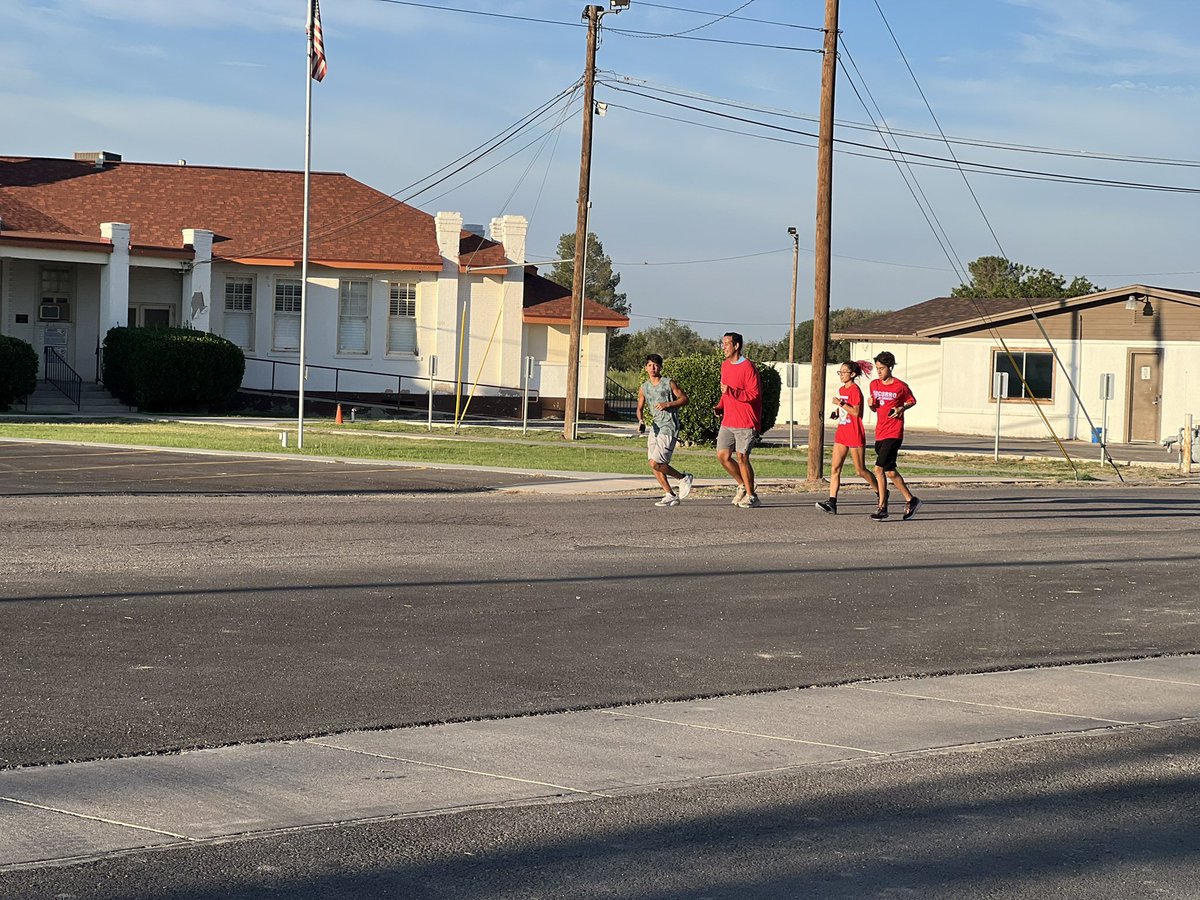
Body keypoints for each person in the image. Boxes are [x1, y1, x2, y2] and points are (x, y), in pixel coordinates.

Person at [866, 350, 921, 521]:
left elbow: (912, 400)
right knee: (890, 472)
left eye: (882, 368)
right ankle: (911, 500)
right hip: (880, 432)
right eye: (877, 368)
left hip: (894, 432)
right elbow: (875, 407)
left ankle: (882, 507)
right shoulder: (874, 384)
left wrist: (901, 408)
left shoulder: (900, 386)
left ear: (890, 367)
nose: (879, 371)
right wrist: (870, 405)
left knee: (878, 468)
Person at [816, 360, 874, 514]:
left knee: (860, 470)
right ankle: (832, 502)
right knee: (835, 468)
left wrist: (840, 403)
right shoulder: (842, 389)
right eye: (840, 372)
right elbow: (845, 410)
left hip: (854, 434)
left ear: (852, 374)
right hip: (842, 433)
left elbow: (856, 412)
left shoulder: (855, 390)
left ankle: (880, 491)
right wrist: (837, 412)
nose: (841, 375)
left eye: (844, 372)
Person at [636, 354, 693, 507]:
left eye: (655, 365)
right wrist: (641, 421)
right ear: (645, 368)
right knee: (652, 463)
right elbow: (639, 408)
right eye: (649, 365)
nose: (652, 368)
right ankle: (670, 494)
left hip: (669, 426)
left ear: (660, 367)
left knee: (656, 462)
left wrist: (667, 404)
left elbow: (684, 399)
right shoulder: (644, 387)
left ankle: (683, 477)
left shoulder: (668, 383)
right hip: (655, 427)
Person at [713, 332, 762, 508]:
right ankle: (742, 485)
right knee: (722, 456)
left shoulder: (748, 367)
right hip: (728, 419)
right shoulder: (725, 365)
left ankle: (751, 496)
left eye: (726, 344)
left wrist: (732, 392)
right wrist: (720, 406)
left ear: (737, 346)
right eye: (722, 343)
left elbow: (754, 394)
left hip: (746, 421)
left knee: (742, 457)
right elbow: (725, 392)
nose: (723, 347)